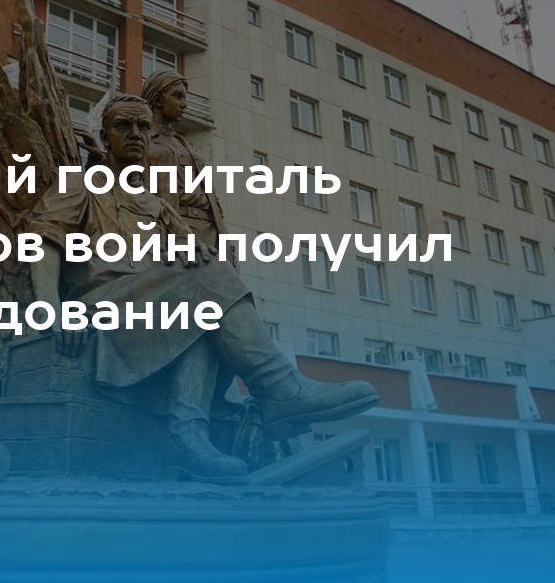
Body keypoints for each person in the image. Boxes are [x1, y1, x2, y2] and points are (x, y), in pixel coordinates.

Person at [26, 95, 378, 484]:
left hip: (157, 305)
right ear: (105, 136)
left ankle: (190, 434)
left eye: (143, 127)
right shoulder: (79, 184)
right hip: (101, 303)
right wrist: (52, 311)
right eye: (123, 126)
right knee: (206, 281)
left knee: (206, 288)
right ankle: (277, 387)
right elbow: (43, 241)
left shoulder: (157, 206)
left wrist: (192, 252)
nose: (135, 134)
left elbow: (197, 254)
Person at [141, 70, 226, 246]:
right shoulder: (141, 142)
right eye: (177, 96)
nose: (184, 104)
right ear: (158, 99)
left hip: (210, 230)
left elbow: (212, 196)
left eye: (184, 98)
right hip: (173, 227)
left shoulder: (187, 145)